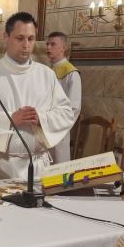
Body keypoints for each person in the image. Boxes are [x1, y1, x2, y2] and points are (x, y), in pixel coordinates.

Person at [0, 12, 74, 180]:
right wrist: (10, 119)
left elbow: (66, 113)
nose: (26, 45)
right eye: (20, 38)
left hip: (38, 166)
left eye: (31, 39)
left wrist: (41, 118)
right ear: (6, 37)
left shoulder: (46, 75)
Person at [45, 31, 81, 163]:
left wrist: (56, 125)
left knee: (58, 169)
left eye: (53, 44)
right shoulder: (46, 71)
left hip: (59, 131)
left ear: (64, 47)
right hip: (43, 129)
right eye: (47, 44)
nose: (48, 47)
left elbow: (74, 108)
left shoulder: (72, 74)